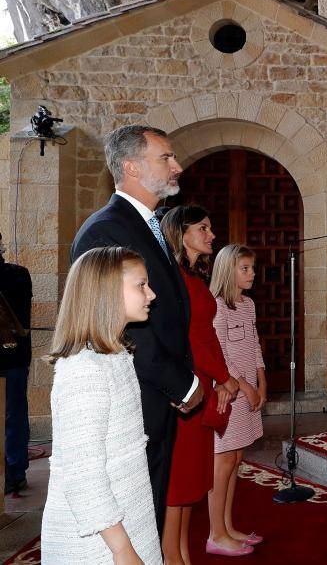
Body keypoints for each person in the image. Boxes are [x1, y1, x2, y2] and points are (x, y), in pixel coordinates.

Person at [71, 125, 203, 536]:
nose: (177, 166)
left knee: (149, 510)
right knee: (130, 515)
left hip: (154, 395)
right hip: (135, 395)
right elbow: (123, 329)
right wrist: (181, 384)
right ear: (130, 166)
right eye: (165, 158)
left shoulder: (147, 224)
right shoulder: (105, 229)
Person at [41, 247, 162, 564]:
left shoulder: (115, 356)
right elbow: (83, 474)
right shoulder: (84, 369)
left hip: (126, 516)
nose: (151, 293)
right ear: (108, 291)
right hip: (98, 543)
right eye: (141, 285)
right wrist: (122, 548)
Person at [160, 206, 242, 563]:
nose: (211, 234)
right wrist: (224, 378)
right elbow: (195, 337)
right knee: (178, 481)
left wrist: (222, 379)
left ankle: (182, 554)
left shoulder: (191, 275)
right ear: (182, 233)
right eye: (203, 228)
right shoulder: (173, 276)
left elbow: (207, 336)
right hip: (186, 387)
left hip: (202, 382)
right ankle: (170, 555)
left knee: (192, 479)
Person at [208, 244, 266, 550]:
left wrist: (262, 379)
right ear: (227, 270)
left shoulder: (248, 305)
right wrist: (245, 385)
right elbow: (219, 353)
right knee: (223, 462)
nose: (251, 273)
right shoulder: (216, 306)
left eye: (252, 268)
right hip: (231, 393)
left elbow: (254, 345)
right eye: (245, 268)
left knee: (236, 459)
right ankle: (215, 535)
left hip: (249, 389)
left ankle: (228, 527)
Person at [0, 232, 32, 495]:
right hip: (13, 358)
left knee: (14, 413)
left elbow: (18, 314)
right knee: (13, 413)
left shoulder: (17, 275)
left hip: (11, 356)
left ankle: (15, 469)